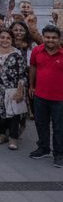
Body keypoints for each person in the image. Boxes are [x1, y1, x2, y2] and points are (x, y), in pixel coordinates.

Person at [28, 23, 63, 166]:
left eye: (54, 38)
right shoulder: (37, 51)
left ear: (59, 39)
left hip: (60, 98)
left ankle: (59, 153)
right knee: (40, 123)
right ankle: (44, 148)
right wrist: (31, 86)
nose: (50, 40)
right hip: (40, 96)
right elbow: (33, 67)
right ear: (43, 38)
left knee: (59, 127)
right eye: (47, 37)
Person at [0, 27, 27, 150]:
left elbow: (22, 74)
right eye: (2, 37)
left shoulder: (16, 54)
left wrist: (20, 90)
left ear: (12, 39)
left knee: (13, 115)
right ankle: (2, 134)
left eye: (8, 38)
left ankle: (13, 138)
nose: (5, 40)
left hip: (12, 89)